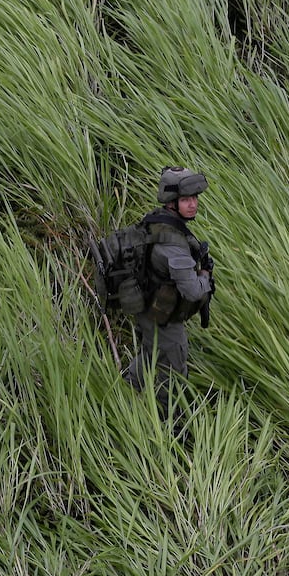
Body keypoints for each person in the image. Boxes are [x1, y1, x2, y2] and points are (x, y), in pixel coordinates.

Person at [124, 166, 214, 414]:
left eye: (195, 198)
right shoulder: (173, 244)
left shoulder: (156, 220)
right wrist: (205, 277)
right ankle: (167, 420)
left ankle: (127, 392)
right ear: (172, 203)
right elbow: (193, 292)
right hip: (162, 315)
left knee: (150, 352)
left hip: (146, 305)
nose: (193, 204)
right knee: (172, 369)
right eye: (186, 200)